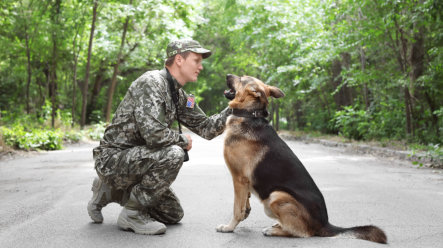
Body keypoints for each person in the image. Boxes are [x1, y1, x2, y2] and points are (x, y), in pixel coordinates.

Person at [87, 38, 232, 235]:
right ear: (179, 60)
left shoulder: (178, 95)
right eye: (196, 60)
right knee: (174, 153)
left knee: (173, 214)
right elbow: (154, 135)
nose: (200, 66)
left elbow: (206, 128)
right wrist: (182, 141)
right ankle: (132, 214)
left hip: (138, 161)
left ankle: (109, 189)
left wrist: (237, 106)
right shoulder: (151, 83)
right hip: (112, 160)